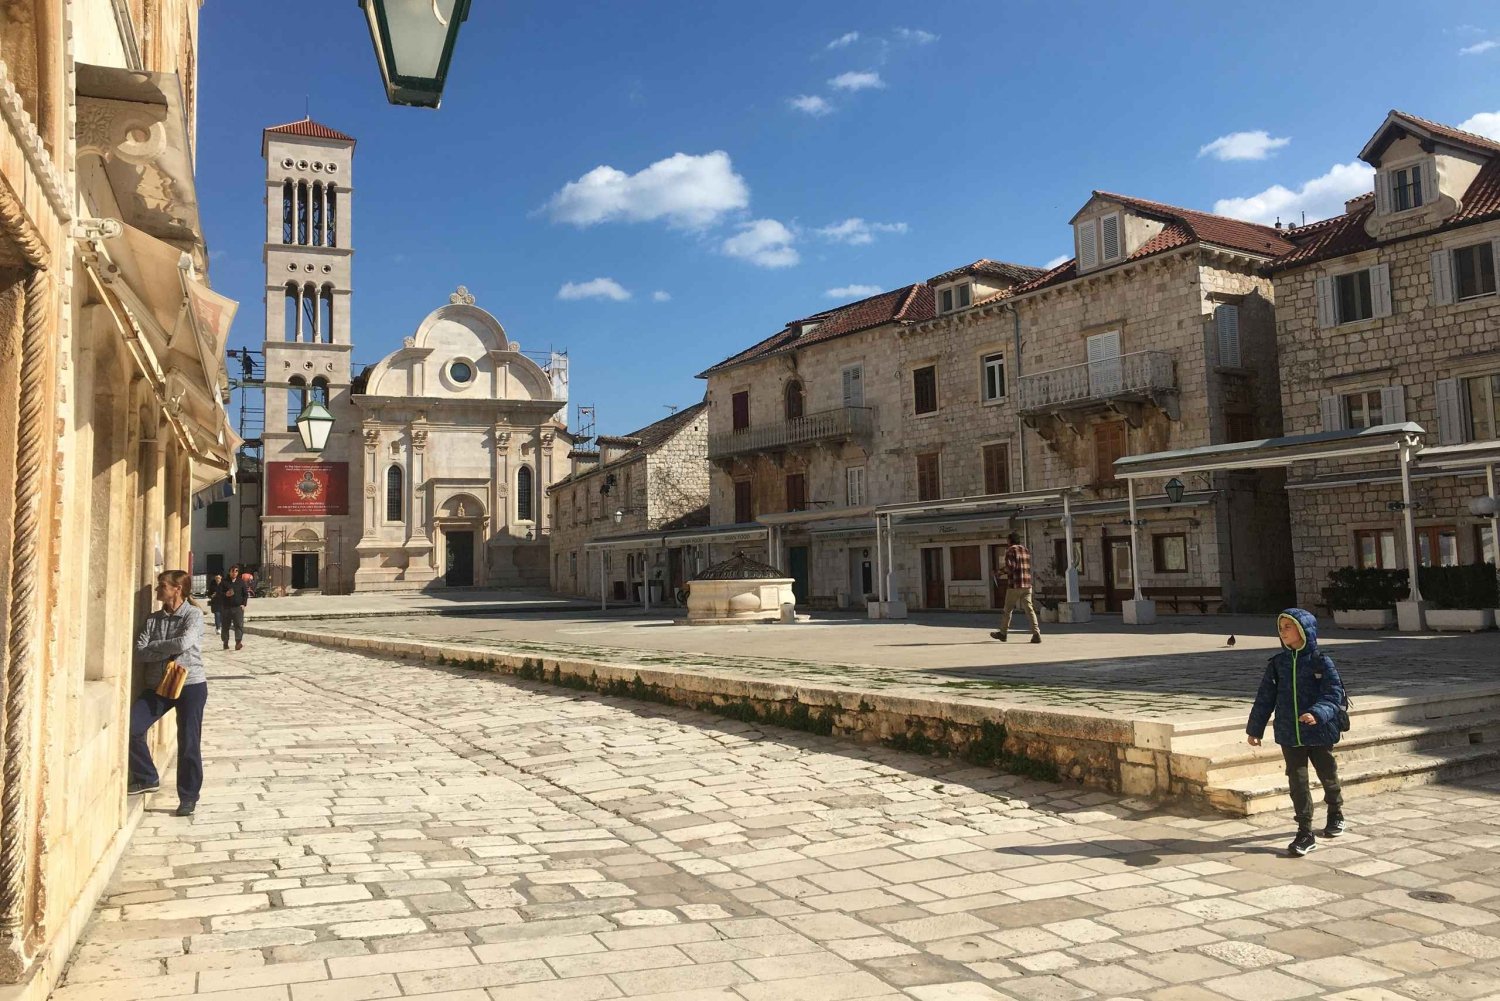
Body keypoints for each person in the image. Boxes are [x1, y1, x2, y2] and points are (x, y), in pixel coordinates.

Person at [1246, 608, 1346, 857]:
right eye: (1281, 628)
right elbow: (1265, 698)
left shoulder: (1321, 661)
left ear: (1304, 630)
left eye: (1288, 627)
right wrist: (1255, 729)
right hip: (1289, 733)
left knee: (1328, 774)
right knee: (1297, 781)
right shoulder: (1277, 664)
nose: (1283, 632)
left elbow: (1334, 695)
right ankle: (1304, 831)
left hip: (1319, 731)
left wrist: (1317, 713)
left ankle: (1335, 811)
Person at [129, 569, 208, 817]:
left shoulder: (193, 615)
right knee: (131, 728)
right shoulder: (153, 620)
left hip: (190, 685)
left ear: (177, 589)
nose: (157, 589)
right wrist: (164, 649)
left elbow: (183, 643)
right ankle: (147, 777)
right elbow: (139, 651)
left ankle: (188, 796)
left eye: (162, 585)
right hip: (158, 686)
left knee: (189, 742)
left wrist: (154, 647)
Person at [991, 532, 1041, 644]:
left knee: (1007, 610)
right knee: (1029, 610)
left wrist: (999, 572)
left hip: (1015, 585)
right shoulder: (1025, 550)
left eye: (1007, 540)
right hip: (1027, 584)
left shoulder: (1010, 550)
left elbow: (1011, 567)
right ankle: (1036, 633)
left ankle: (1003, 633)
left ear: (1010, 540)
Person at [219, 564, 248, 651]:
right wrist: (225, 594)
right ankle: (225, 642)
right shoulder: (224, 582)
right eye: (233, 571)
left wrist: (243, 604)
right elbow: (219, 593)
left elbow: (245, 594)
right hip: (226, 608)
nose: (234, 573)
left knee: (238, 625)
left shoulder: (241, 582)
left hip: (237, 608)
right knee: (225, 626)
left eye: (236, 571)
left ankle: (238, 643)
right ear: (229, 572)